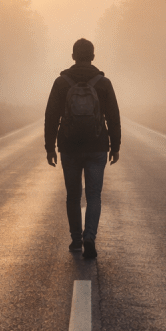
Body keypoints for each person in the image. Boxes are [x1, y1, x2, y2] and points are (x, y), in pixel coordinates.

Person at [44, 38, 121, 259]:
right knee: (94, 195)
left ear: (73, 56)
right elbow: (113, 117)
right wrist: (115, 146)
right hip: (97, 146)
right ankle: (90, 237)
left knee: (73, 195)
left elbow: (51, 116)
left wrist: (50, 147)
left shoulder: (61, 83)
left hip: (69, 147)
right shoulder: (103, 83)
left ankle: (76, 240)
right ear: (93, 56)